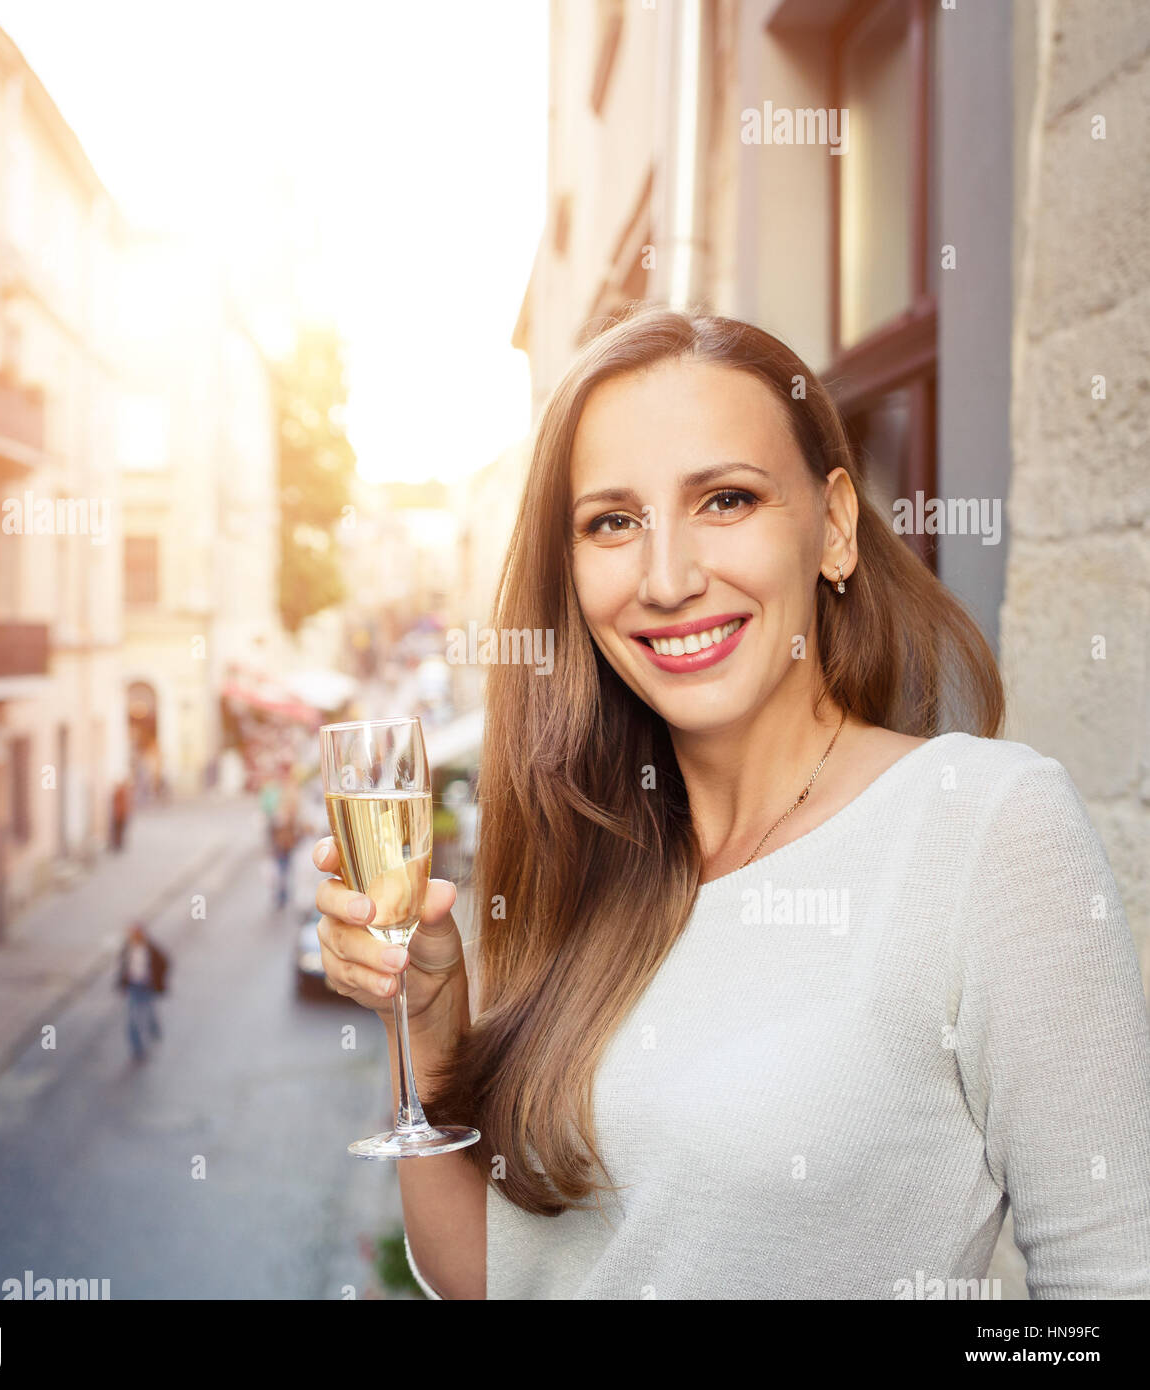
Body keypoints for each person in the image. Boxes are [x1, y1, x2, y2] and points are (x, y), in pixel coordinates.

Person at [311, 307, 1150, 1301]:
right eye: (612, 521)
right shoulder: (578, 860)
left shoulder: (984, 827)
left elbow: (1110, 1282)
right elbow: (486, 1276)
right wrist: (431, 1017)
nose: (667, 579)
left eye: (727, 499)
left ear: (833, 527)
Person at [117, 921, 168, 1063]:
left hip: (147, 986)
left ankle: (153, 1027)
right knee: (133, 1019)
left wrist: (157, 980)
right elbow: (123, 967)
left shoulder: (151, 949)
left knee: (148, 1011)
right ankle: (137, 1048)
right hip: (134, 986)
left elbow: (164, 963)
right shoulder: (127, 949)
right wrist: (123, 984)